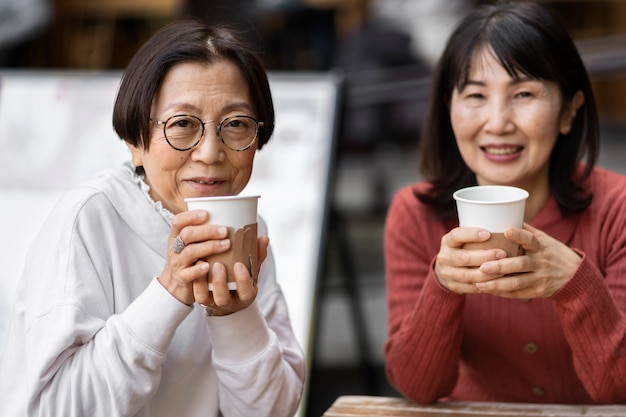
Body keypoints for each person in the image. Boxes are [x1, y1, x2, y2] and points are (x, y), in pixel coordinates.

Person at [0, 20, 305, 416]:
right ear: (135, 142)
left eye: (235, 125)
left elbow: (273, 411)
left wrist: (233, 315)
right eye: (182, 124)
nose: (211, 153)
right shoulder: (90, 220)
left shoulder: (247, 229)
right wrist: (169, 291)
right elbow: (55, 409)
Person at [384, 1, 626, 405]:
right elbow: (417, 388)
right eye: (476, 95)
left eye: (524, 93)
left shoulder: (617, 208)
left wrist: (574, 285)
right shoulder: (415, 213)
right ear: (449, 108)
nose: (497, 122)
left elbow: (619, 392)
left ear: (569, 111)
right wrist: (443, 285)